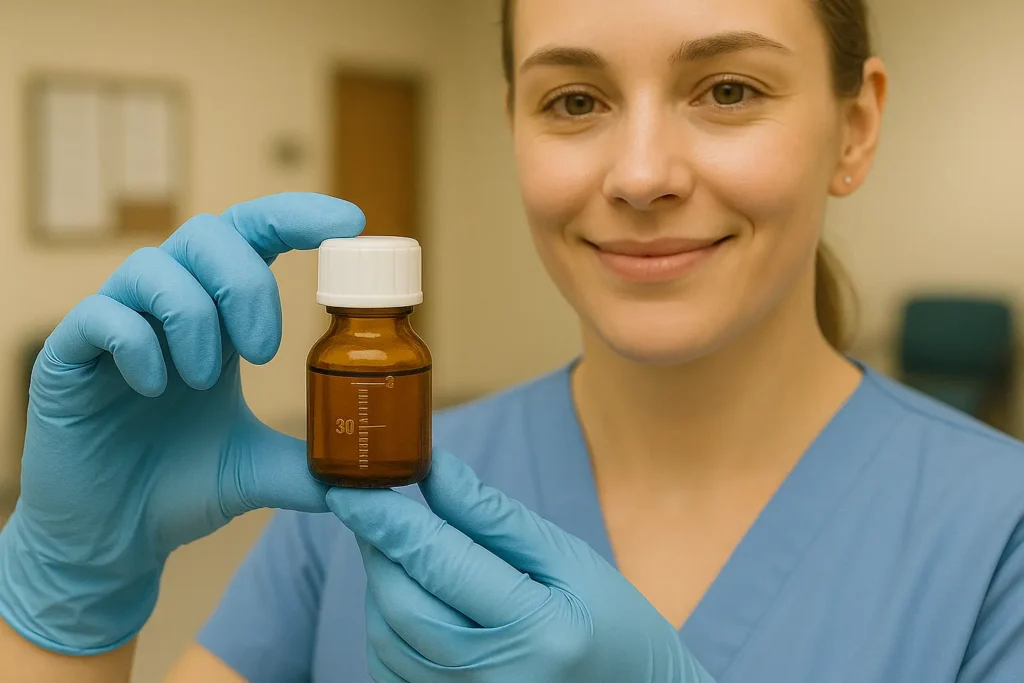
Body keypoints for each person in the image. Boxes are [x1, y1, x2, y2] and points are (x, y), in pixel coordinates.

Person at [2, 0, 1023, 680]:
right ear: (515, 129)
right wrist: (69, 592)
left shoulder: (994, 536)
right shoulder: (359, 480)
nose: (638, 173)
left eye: (728, 90)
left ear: (854, 127)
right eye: (573, 101)